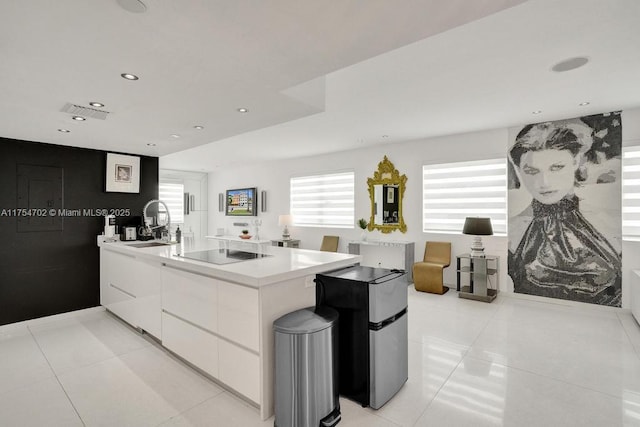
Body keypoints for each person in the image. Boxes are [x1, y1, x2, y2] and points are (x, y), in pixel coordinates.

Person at [508, 119, 621, 306]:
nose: (543, 182)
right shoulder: (513, 232)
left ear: (575, 161)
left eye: (556, 167)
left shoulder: (608, 222)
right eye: (531, 171)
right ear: (518, 169)